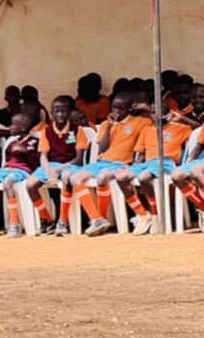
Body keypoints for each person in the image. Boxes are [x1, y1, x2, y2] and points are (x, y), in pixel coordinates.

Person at [68, 93, 149, 237]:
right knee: (75, 178)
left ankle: (102, 216)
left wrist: (145, 107)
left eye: (121, 108)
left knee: (103, 177)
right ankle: (96, 219)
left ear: (130, 108)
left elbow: (159, 119)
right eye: (114, 107)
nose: (116, 111)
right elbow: (102, 148)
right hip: (101, 161)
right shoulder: (106, 123)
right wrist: (109, 126)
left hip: (122, 163)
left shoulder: (140, 122)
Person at [114, 104, 193, 235]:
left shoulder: (179, 128)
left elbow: (199, 131)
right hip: (147, 163)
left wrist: (181, 118)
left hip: (166, 162)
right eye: (153, 112)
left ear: (168, 114)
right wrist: (133, 167)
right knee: (121, 177)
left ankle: (156, 216)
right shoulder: (146, 130)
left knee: (144, 177)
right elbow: (140, 153)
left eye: (160, 112)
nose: (156, 115)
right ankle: (143, 214)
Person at [24, 97, 88, 236]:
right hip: (51, 165)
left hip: (71, 164)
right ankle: (47, 220)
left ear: (69, 113)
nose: (60, 115)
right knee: (30, 184)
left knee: (66, 177)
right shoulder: (46, 131)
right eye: (56, 111)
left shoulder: (77, 130)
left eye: (64, 111)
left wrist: (58, 170)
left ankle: (62, 221)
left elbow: (79, 158)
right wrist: (48, 171)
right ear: (51, 112)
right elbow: (43, 156)